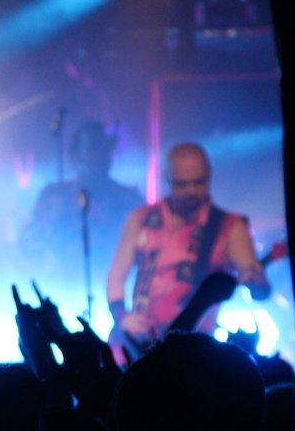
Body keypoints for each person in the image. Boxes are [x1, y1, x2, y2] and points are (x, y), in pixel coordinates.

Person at [106, 141, 272, 363]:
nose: (192, 191)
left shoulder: (229, 226)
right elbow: (116, 274)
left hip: (194, 348)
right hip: (140, 343)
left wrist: (257, 282)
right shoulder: (141, 218)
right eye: (182, 184)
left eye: (199, 182)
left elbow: (259, 288)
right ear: (167, 179)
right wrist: (123, 317)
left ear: (209, 176)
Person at [24, 120, 144, 288]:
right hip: (61, 289)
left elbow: (146, 252)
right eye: (91, 149)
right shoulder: (54, 196)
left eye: (104, 149)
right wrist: (53, 218)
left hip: (114, 291)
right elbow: (27, 246)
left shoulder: (128, 199)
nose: (98, 157)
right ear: (76, 156)